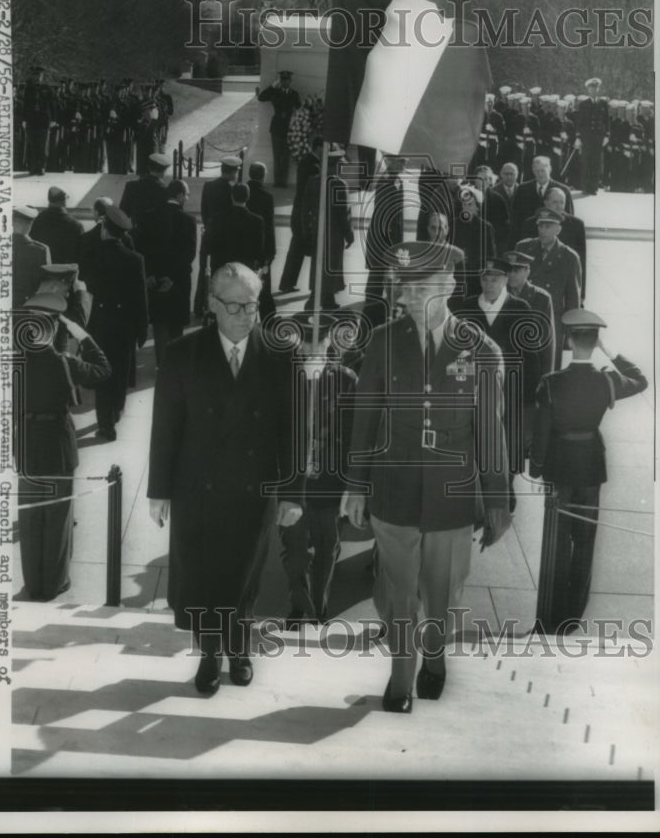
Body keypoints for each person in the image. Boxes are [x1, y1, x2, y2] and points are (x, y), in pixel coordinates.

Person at [346, 242, 511, 713]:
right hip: (393, 493)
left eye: (422, 288)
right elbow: (365, 417)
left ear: (450, 286)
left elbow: (490, 432)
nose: (410, 298)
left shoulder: (481, 350)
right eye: (406, 288)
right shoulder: (382, 340)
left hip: (451, 500)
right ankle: (401, 682)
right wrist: (357, 485)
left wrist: (497, 500)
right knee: (397, 597)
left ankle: (434, 659)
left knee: (441, 596)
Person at [147, 263, 300, 695]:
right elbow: (166, 428)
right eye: (232, 305)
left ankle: (241, 649)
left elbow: (292, 431)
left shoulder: (280, 355)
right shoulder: (182, 354)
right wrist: (158, 491)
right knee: (203, 574)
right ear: (212, 305)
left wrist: (292, 494)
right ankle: (211, 654)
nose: (243, 315)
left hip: (254, 489)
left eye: (251, 305)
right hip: (197, 487)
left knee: (244, 573)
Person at [530, 310, 647, 633]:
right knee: (584, 542)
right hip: (591, 467)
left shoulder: (551, 384)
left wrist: (537, 468)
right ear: (595, 343)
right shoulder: (608, 381)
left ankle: (548, 619)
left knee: (556, 542)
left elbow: (541, 433)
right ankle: (570, 619)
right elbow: (640, 379)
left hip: (559, 468)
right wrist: (610, 352)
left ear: (568, 340)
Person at [14, 291, 111, 600]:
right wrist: (81, 334)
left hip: (27, 443)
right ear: (56, 329)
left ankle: (33, 583)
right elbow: (103, 369)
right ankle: (54, 583)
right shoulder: (65, 364)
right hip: (57, 444)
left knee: (30, 518)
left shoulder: (14, 363)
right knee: (57, 517)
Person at [279, 312, 358, 627]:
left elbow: (356, 438)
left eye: (319, 341)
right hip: (292, 487)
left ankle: (319, 609)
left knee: (326, 551)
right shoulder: (283, 378)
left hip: (330, 484)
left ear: (329, 341)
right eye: (306, 341)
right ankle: (299, 605)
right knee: (295, 554)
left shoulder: (346, 380)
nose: (313, 349)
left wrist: (353, 486)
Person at [457, 258, 540, 512]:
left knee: (509, 444)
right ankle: (478, 491)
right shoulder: (465, 308)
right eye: (484, 278)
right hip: (476, 393)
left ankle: (507, 489)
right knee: (477, 441)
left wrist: (529, 399)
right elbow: (456, 352)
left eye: (495, 278)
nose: (489, 283)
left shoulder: (521, 308)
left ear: (506, 279)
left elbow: (532, 358)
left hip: (511, 394)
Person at [80, 205, 149, 441]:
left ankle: (106, 425)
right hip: (125, 325)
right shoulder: (135, 259)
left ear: (105, 230)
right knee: (119, 372)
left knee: (102, 374)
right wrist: (141, 330)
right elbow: (141, 298)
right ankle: (116, 411)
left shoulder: (93, 255)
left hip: (100, 323)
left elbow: (85, 288)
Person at [514, 208, 581, 366]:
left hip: (551, 322)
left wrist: (570, 333)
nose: (542, 230)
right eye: (540, 226)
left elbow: (573, 299)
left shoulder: (569, 257)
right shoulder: (523, 248)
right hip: (521, 316)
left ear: (558, 229)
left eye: (548, 226)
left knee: (547, 368)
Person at [504, 250, 556, 450]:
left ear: (527, 271)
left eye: (517, 270)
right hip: (504, 370)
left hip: (529, 372)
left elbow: (547, 343)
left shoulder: (541, 298)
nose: (512, 275)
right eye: (509, 270)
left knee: (525, 429)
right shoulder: (500, 294)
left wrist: (545, 380)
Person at [149, 179, 197, 359]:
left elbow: (145, 249)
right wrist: (173, 278)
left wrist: (152, 274)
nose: (187, 198)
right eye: (187, 194)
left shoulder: (151, 216)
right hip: (178, 281)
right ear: (179, 195)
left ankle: (160, 362)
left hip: (156, 279)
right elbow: (188, 254)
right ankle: (174, 365)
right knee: (176, 326)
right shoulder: (188, 220)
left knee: (159, 323)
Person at [301, 151, 354, 310]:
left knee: (319, 266)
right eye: (340, 164)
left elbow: (305, 209)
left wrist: (307, 231)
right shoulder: (339, 185)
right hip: (334, 234)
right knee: (331, 267)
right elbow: (343, 215)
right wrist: (349, 235)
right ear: (334, 166)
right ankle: (318, 300)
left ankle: (325, 298)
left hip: (317, 232)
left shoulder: (313, 181)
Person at [194, 156, 240, 317]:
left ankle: (200, 305)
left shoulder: (208, 186)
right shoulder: (232, 190)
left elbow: (204, 211)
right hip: (225, 238)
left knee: (204, 271)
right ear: (233, 172)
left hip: (210, 233)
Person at [521, 187, 587, 298]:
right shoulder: (531, 224)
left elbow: (581, 262)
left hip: (560, 290)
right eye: (555, 202)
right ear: (545, 203)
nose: (559, 206)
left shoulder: (576, 225)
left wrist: (581, 294)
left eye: (562, 202)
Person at [278, 137, 323, 294]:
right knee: (300, 250)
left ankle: (287, 283)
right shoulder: (314, 166)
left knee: (296, 251)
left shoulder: (307, 162)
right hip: (305, 214)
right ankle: (293, 283)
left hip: (299, 212)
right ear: (318, 148)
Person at [364, 155, 406, 310]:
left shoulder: (397, 180)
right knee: (378, 270)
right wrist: (389, 242)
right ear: (391, 162)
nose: (403, 165)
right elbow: (383, 214)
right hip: (382, 236)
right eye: (400, 161)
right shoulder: (385, 181)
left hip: (392, 235)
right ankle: (370, 305)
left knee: (383, 271)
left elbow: (398, 215)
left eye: (405, 162)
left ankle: (376, 302)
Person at [509, 155, 574, 245]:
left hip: (554, 241)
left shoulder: (563, 190)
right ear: (533, 171)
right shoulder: (522, 189)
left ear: (550, 170)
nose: (540, 174)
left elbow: (568, 218)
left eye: (543, 170)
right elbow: (515, 217)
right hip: (529, 239)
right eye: (537, 171)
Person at [245, 162, 277, 323]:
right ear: (263, 175)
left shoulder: (243, 192)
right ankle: (268, 321)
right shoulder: (267, 197)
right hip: (262, 249)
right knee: (264, 288)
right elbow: (269, 228)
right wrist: (271, 253)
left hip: (244, 248)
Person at [257, 70, 301, 187]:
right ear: (280, 81)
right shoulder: (275, 92)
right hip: (276, 128)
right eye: (282, 80)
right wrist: (272, 86)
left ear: (290, 81)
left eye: (287, 80)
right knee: (277, 156)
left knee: (286, 157)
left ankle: (283, 182)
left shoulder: (294, 94)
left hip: (289, 129)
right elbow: (261, 97)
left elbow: (299, 107)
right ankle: (277, 182)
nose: (285, 82)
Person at [29, 186, 84, 265]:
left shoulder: (37, 220)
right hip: (65, 273)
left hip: (42, 270)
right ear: (64, 201)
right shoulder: (75, 225)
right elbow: (80, 254)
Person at [576, 78, 610, 195]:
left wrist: (607, 135)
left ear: (598, 89)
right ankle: (586, 186)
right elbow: (579, 122)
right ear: (588, 89)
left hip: (598, 138)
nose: (594, 90)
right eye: (592, 88)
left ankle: (594, 187)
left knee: (596, 162)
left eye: (596, 88)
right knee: (586, 162)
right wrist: (578, 137)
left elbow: (606, 121)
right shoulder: (583, 104)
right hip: (587, 138)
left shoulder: (603, 104)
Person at [12, 205, 51, 308]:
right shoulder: (40, 250)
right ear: (30, 224)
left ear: (12, 222)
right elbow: (45, 285)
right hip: (28, 309)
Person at [21, 65, 55, 175]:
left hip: (43, 121)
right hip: (31, 120)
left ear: (42, 77)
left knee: (41, 144)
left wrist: (53, 119)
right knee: (32, 144)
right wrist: (24, 120)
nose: (37, 78)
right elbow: (25, 105)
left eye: (39, 76)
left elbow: (53, 104)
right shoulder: (28, 89)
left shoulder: (47, 89)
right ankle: (32, 166)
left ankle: (40, 167)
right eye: (36, 76)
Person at [472, 166, 510, 257]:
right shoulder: (466, 197)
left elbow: (504, 226)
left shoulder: (498, 199)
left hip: (491, 243)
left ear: (490, 181)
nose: (483, 181)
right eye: (480, 178)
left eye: (486, 179)